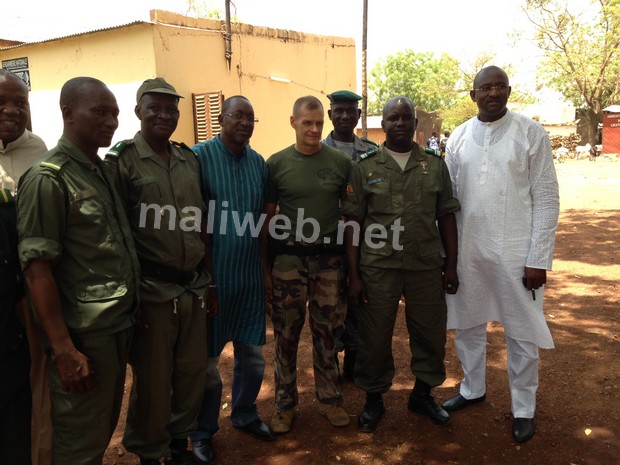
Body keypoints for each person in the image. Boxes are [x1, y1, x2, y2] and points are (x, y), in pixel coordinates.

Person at [16, 76, 140, 465]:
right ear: (68, 113)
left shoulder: (99, 171)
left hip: (114, 327)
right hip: (84, 337)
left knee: (100, 430)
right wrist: (64, 349)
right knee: (78, 442)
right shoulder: (48, 178)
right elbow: (37, 271)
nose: (111, 121)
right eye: (100, 112)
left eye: (115, 113)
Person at [442, 66, 560, 443]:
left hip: (516, 253)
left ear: (509, 91)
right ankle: (472, 388)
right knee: (468, 323)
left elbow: (545, 196)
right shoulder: (458, 138)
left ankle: (523, 408)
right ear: (473, 94)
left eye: (500, 87)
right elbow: (447, 202)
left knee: (522, 332)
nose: (493, 93)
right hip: (468, 250)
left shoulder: (530, 132)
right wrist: (449, 257)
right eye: (485, 87)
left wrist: (538, 257)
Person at [104, 77, 210, 465]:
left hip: (193, 287)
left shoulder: (188, 159)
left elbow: (201, 224)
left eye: (171, 108)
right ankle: (150, 452)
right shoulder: (121, 161)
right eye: (156, 108)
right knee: (152, 379)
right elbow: (116, 236)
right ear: (138, 111)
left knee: (191, 373)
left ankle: (178, 443)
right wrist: (132, 297)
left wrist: (208, 281)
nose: (165, 115)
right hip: (152, 291)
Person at [342, 96, 460, 433]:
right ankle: (374, 399)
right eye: (393, 118)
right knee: (374, 335)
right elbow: (352, 224)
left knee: (429, 332)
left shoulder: (435, 165)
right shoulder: (365, 167)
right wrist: (353, 276)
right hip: (377, 268)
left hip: (425, 267)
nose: (400, 124)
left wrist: (451, 265)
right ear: (384, 123)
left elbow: (446, 216)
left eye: (406, 118)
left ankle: (422, 394)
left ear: (414, 122)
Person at [189, 96, 274, 465]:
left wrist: (265, 274)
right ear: (221, 118)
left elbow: (263, 227)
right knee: (207, 364)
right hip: (213, 278)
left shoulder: (258, 164)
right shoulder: (198, 157)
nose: (244, 122)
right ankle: (202, 431)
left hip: (249, 276)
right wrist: (205, 281)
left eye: (250, 117)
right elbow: (196, 224)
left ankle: (244, 413)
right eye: (237, 115)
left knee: (252, 356)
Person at [264, 95, 351, 434]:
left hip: (328, 263)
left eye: (319, 123)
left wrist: (349, 269)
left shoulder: (341, 163)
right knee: (285, 336)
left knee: (327, 334)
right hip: (287, 261)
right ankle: (284, 406)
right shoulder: (276, 164)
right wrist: (265, 269)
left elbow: (351, 217)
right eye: (307, 123)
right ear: (293, 122)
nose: (314, 129)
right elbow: (266, 221)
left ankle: (330, 401)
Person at [0, 69, 50, 465]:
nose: (11, 110)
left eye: (20, 102)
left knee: (35, 380)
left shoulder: (39, 150)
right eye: (2, 102)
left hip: (31, 288)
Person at [322, 89, 378, 381]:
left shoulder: (371, 153)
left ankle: (354, 366)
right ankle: (328, 370)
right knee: (328, 305)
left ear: (358, 115)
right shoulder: (316, 151)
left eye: (350, 111)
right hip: (327, 241)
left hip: (364, 242)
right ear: (330, 115)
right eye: (338, 111)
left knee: (359, 303)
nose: (344, 116)